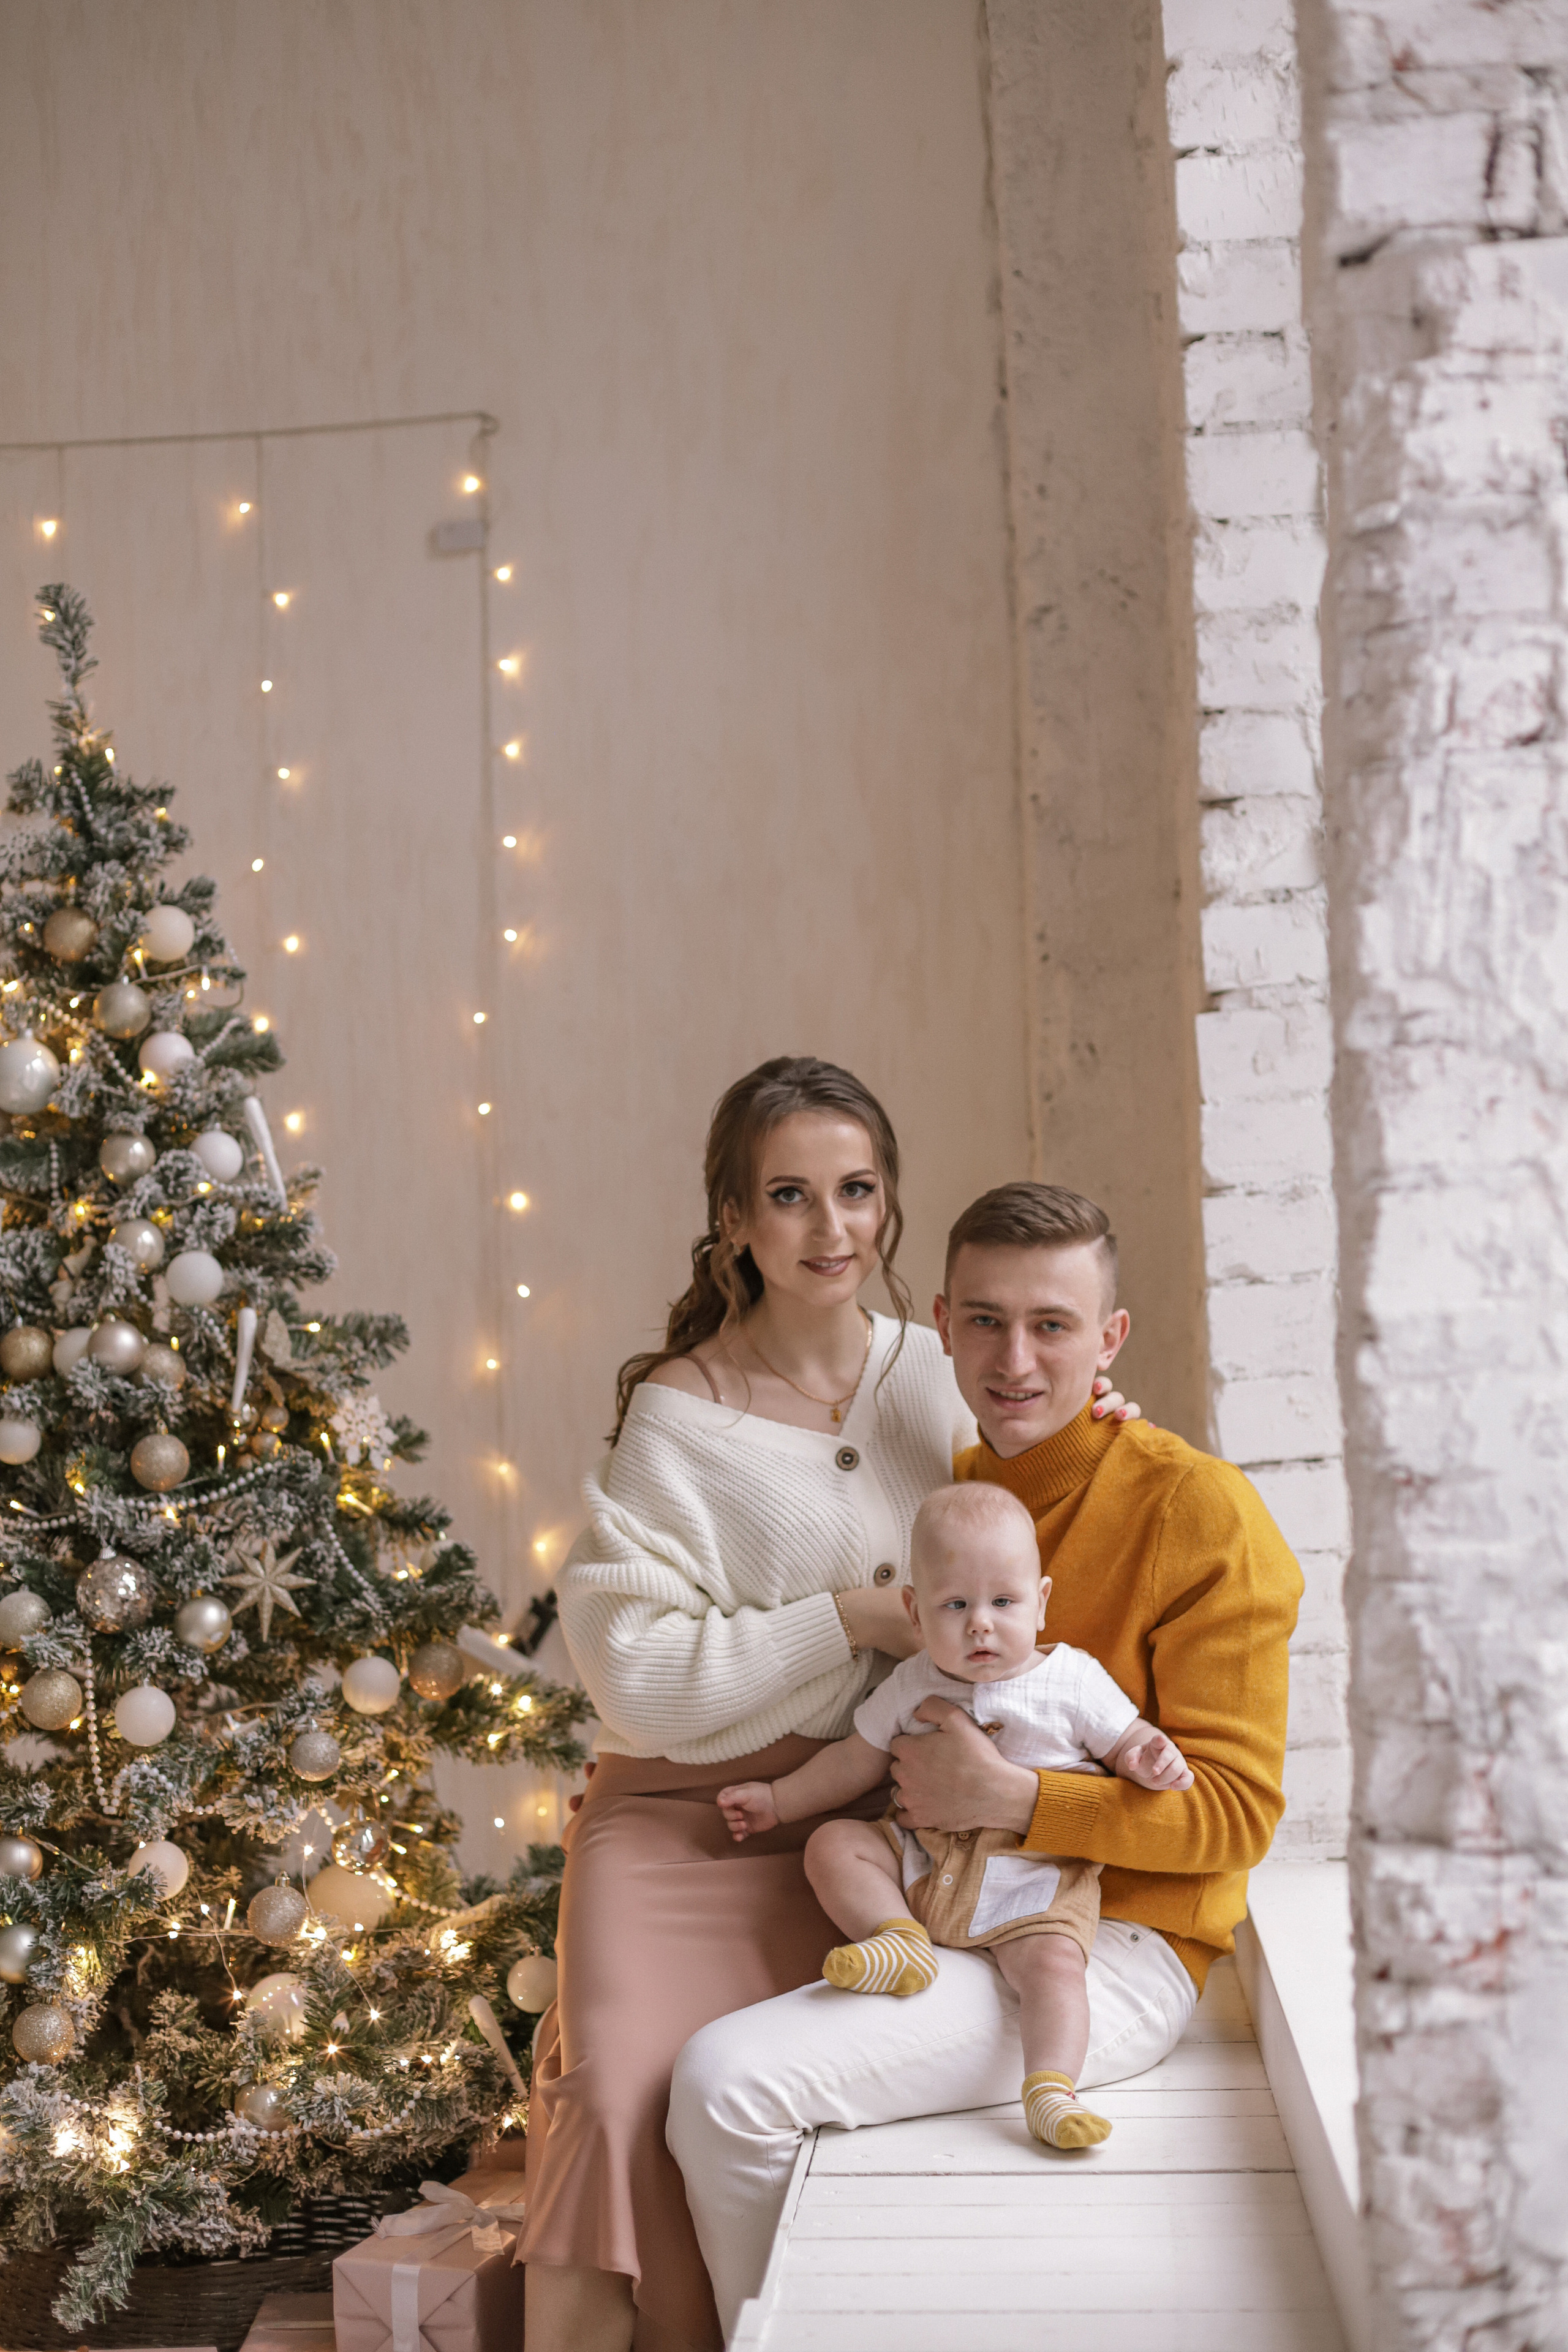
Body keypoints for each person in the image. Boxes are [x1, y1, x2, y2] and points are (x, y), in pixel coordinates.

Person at [518, 1060, 1141, 2352]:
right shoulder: (678, 1416)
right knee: (622, 2095)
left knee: (801, 2114)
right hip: (687, 1819)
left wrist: (1091, 1418)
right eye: (789, 1196)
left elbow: (1034, 1490)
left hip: (873, 1833)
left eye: (856, 1191)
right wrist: (848, 1620)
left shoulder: (939, 1368)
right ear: (733, 1220)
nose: (832, 1228)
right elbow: (630, 1667)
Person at [666, 1180, 1304, 2339]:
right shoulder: (957, 1489)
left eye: (1054, 1325)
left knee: (727, 2086)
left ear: (1110, 1339)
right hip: (939, 1892)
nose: (1016, 1358)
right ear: (945, 1322)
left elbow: (1234, 1818)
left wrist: (1015, 1797)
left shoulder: (1202, 1513)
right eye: (987, 1322)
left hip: (1111, 1940)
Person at [715, 1480, 1193, 2151]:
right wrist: (779, 1800)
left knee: (1056, 1969)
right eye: (954, 1604)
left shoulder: (1071, 1680)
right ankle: (897, 1939)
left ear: (1042, 1601)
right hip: (925, 1859)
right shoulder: (913, 1681)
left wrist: (1150, 1757)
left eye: (1004, 1602)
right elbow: (855, 1760)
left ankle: (1051, 2088)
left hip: (1032, 1878)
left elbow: (1124, 1739)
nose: (980, 1624)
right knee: (834, 1844)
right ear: (914, 1613)